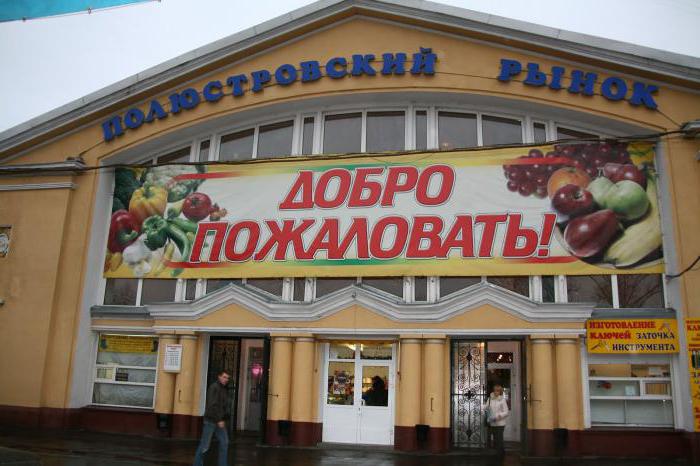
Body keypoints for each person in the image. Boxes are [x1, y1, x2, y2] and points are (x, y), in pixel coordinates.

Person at [193, 370, 230, 466]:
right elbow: (212, 405)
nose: (226, 379)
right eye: (224, 377)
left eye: (227, 378)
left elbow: (223, 405)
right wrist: (219, 420)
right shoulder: (214, 387)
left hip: (218, 421)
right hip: (211, 420)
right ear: (219, 377)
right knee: (204, 446)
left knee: (224, 442)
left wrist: (225, 416)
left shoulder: (223, 389)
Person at [484, 384, 509, 456]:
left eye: (498, 391)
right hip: (492, 422)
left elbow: (506, 412)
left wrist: (499, 416)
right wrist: (483, 408)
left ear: (500, 392)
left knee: (499, 440)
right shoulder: (490, 399)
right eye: (495, 390)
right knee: (494, 439)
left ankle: (501, 454)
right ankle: (496, 455)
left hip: (500, 423)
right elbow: (486, 407)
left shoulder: (502, 400)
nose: (496, 392)